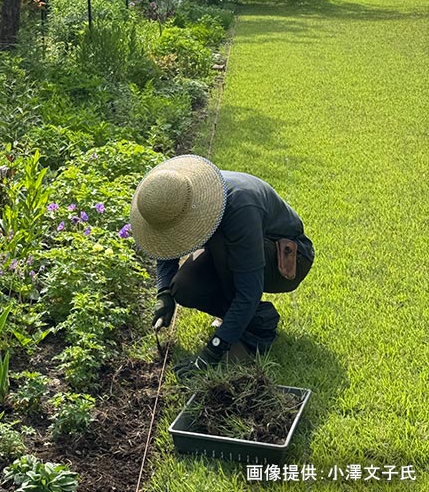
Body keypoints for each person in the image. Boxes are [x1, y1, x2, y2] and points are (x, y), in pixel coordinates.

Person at [129, 154, 314, 378]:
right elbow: (170, 241)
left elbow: (249, 290)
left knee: (222, 242)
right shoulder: (185, 199)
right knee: (185, 286)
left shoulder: (238, 206)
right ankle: (245, 319)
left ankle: (259, 327)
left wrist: (212, 352)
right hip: (236, 247)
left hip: (288, 259)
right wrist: (164, 292)